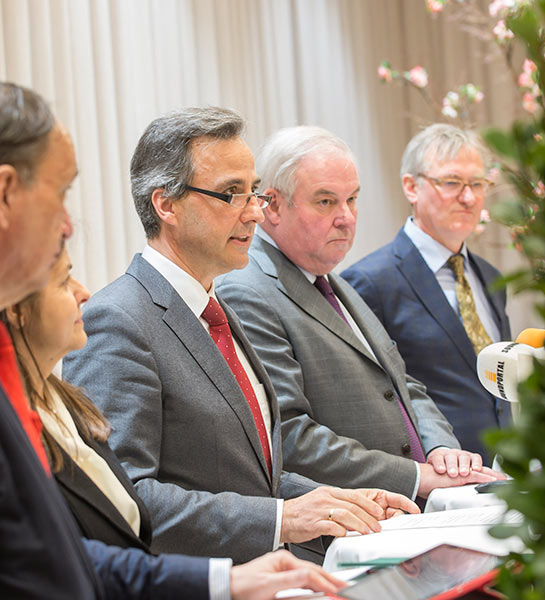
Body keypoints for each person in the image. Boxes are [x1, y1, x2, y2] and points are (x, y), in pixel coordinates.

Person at [0, 79, 346, 600]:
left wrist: (221, 581)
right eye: (61, 193)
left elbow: (31, 554)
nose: (68, 225)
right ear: (3, 194)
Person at [64, 107, 419, 566]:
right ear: (165, 205)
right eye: (232, 194)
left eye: (253, 192)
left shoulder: (218, 308)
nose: (254, 212)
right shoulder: (118, 319)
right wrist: (282, 519)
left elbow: (247, 475)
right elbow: (122, 499)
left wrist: (338, 501)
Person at [216, 125, 501, 504]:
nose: (346, 217)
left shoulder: (331, 279)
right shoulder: (247, 290)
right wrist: (417, 476)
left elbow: (401, 383)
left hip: (415, 509)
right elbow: (289, 435)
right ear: (273, 205)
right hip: (343, 528)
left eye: (352, 199)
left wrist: (440, 450)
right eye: (325, 202)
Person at [342, 123, 511, 461]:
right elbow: (373, 398)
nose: (468, 197)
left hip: (503, 474)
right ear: (411, 187)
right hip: (433, 482)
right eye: (452, 182)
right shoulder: (368, 282)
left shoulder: (490, 277)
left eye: (477, 184)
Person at [2, 248, 152, 552]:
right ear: (16, 308)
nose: (83, 292)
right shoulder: (8, 425)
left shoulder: (70, 403)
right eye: (63, 282)